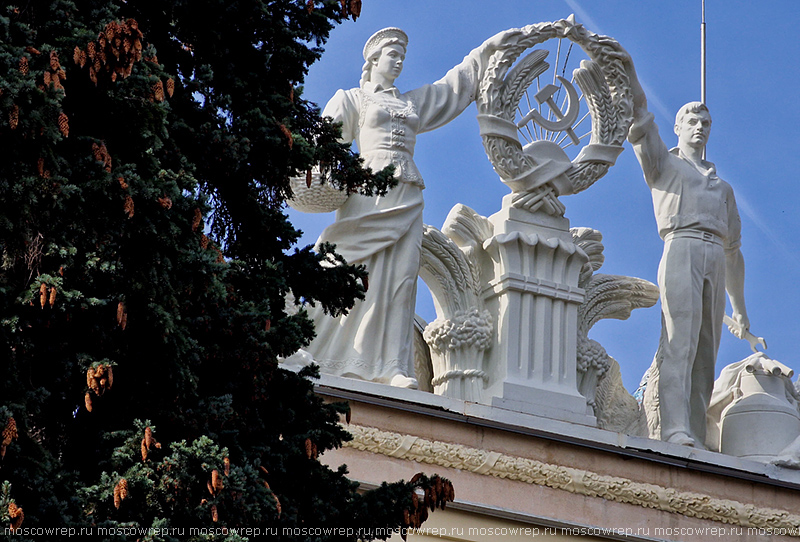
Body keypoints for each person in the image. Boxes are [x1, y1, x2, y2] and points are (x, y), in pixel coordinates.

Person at [304, 27, 512, 387]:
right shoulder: (352, 99)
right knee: (344, 267)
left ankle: (391, 367)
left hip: (408, 192)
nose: (398, 62)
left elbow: (451, 90)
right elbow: (321, 145)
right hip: (366, 193)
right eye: (392, 55)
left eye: (402, 56)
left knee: (399, 280)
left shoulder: (411, 103)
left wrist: (487, 53)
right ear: (373, 60)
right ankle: (308, 340)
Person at [624, 57, 751, 447]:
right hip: (681, 247)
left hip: (714, 255)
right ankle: (673, 427)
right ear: (677, 129)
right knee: (680, 341)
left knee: (707, 350)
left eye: (705, 123)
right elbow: (640, 121)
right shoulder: (664, 166)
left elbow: (734, 253)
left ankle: (695, 430)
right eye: (692, 122)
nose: (699, 127)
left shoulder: (723, 189)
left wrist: (741, 308)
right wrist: (627, 72)